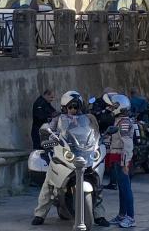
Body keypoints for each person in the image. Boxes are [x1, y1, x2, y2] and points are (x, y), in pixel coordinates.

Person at [32, 91, 110, 227]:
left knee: (98, 184)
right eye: (70, 107)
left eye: (76, 107)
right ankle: (40, 214)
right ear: (64, 107)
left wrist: (102, 138)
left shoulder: (89, 118)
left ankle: (99, 215)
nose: (73, 110)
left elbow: (95, 132)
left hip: (85, 153)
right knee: (49, 182)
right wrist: (49, 136)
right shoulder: (58, 119)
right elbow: (49, 130)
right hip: (65, 153)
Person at [103, 94, 136, 228]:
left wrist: (125, 163)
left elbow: (127, 144)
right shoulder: (118, 121)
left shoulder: (124, 123)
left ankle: (131, 217)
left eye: (112, 106)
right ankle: (122, 215)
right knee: (122, 189)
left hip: (122, 159)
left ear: (119, 107)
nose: (110, 108)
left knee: (126, 189)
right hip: (115, 157)